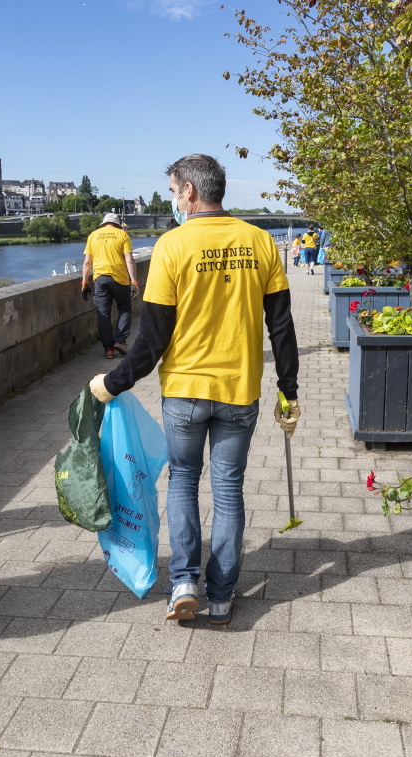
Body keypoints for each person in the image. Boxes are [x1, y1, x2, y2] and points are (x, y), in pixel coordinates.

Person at [89, 154, 300, 626]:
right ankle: (222, 596)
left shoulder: (172, 246)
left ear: (188, 192)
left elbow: (152, 338)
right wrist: (290, 388)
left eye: (172, 191)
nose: (172, 199)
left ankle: (184, 582)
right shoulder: (261, 242)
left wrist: (112, 382)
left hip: (184, 391)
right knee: (228, 491)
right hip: (239, 389)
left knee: (183, 480)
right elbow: (281, 326)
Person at [81, 212, 139, 359]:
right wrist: (134, 282)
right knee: (125, 309)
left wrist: (84, 282)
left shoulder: (93, 235)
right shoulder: (123, 235)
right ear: (117, 224)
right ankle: (120, 341)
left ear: (104, 223)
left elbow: (87, 262)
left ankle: (108, 350)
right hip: (120, 279)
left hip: (100, 279)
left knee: (103, 315)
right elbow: (129, 260)